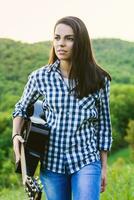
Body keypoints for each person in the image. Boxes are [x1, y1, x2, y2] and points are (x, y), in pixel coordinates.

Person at [12, 16, 112, 200]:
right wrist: (16, 136)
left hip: (86, 159)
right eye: (57, 37)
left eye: (69, 38)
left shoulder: (99, 79)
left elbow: (104, 125)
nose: (61, 44)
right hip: (52, 162)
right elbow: (20, 108)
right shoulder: (40, 77)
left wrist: (103, 167)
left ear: (80, 42)